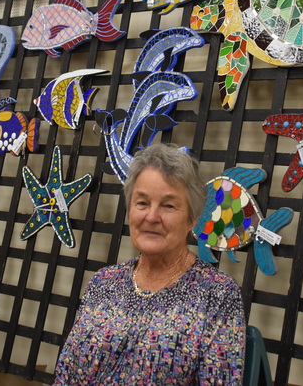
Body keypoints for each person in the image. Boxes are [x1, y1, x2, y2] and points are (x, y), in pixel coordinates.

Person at [54, 143, 245, 385]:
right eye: (142, 203)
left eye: (168, 206)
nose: (152, 217)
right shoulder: (103, 282)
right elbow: (65, 374)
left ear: (192, 220)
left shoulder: (217, 293)